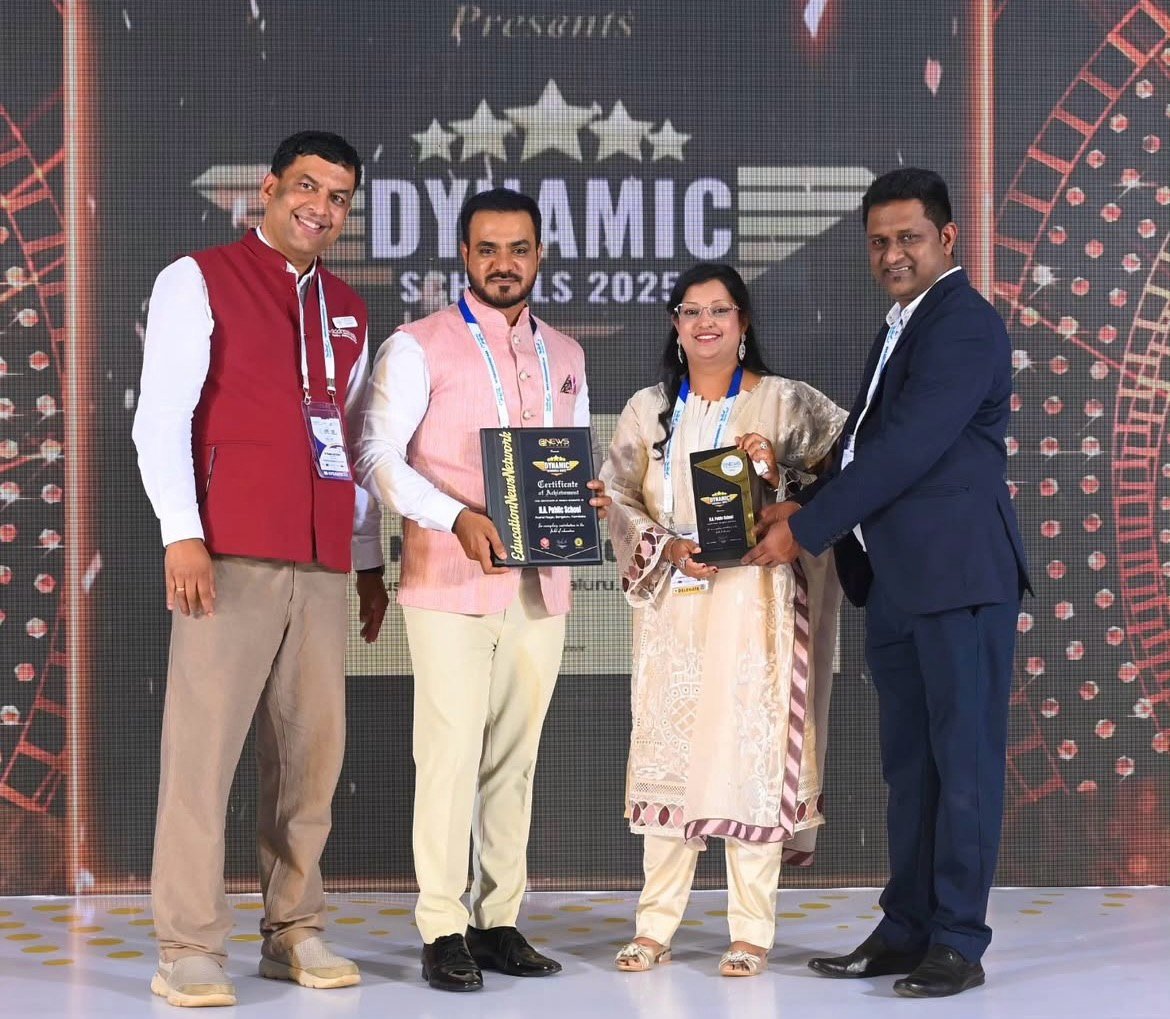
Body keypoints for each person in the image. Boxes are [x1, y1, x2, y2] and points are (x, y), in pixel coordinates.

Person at [747, 168, 1031, 998]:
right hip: (900, 583)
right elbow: (868, 445)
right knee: (911, 770)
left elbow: (909, 448)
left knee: (963, 766)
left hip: (959, 580)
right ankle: (906, 925)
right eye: (878, 241)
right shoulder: (903, 323)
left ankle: (958, 939)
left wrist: (805, 529)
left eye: (909, 237)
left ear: (947, 238)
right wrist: (804, 500)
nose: (892, 254)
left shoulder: (964, 324)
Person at [133, 131, 390, 1008]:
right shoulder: (198, 278)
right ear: (270, 188)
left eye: (339, 197)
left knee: (311, 757)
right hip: (228, 552)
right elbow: (160, 416)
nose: (322, 207)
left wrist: (366, 559)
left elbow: (348, 442)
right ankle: (187, 944)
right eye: (307, 187)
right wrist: (181, 532)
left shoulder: (348, 307)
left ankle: (293, 929)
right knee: (202, 756)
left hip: (320, 562)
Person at [355, 187, 610, 993]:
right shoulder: (416, 345)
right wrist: (454, 515)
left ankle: (498, 919)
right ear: (464, 255)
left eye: (519, 248)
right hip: (449, 582)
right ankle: (442, 925)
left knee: (514, 760)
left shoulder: (566, 354)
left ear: (540, 255)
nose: (505, 263)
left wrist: (588, 495)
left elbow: (570, 456)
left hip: (542, 587)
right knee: (448, 757)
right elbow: (375, 456)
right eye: (488, 248)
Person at [599, 262, 846, 977]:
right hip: (675, 606)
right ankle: (654, 926)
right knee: (670, 759)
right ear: (675, 326)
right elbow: (618, 495)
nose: (705, 323)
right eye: (691, 311)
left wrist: (781, 481)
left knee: (750, 757)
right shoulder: (648, 409)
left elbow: (845, 475)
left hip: (756, 607)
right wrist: (666, 546)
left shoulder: (784, 402)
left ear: (743, 323)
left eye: (720, 310)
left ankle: (751, 932)